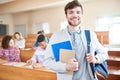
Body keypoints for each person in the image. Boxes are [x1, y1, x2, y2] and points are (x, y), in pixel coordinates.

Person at [43, 0, 108, 80]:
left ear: (81, 15)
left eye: (78, 12)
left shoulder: (90, 35)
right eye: (71, 12)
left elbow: (104, 53)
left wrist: (96, 58)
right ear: (66, 15)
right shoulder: (57, 36)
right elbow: (47, 61)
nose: (75, 15)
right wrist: (65, 66)